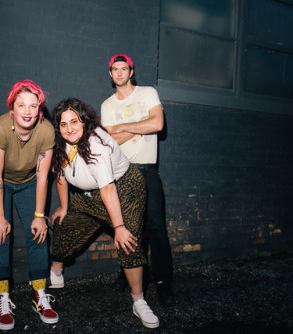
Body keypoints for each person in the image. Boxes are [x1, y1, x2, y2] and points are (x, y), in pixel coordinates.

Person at [49, 98, 159, 329]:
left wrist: (119, 228)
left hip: (124, 190)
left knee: (129, 242)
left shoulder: (95, 142)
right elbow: (60, 175)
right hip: (88, 195)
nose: (69, 128)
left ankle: (138, 301)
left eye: (74, 122)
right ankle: (56, 270)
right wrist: (65, 206)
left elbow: (108, 188)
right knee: (64, 223)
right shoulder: (59, 143)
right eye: (63, 124)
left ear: (84, 120)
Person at [0, 80, 58, 330]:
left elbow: (43, 176)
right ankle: (2, 297)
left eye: (32, 106)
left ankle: (39, 294)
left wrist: (39, 215)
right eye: (20, 105)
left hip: (29, 181)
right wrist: (0, 217)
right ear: (11, 108)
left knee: (39, 232)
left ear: (39, 109)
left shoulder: (46, 130)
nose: (27, 111)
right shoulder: (0, 128)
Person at [100, 54, 175, 306]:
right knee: (129, 229)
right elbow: (109, 142)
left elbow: (158, 123)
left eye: (124, 68)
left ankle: (164, 284)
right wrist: (139, 126)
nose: (119, 73)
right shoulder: (107, 105)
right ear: (110, 74)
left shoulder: (147, 93)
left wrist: (123, 127)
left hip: (147, 170)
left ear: (131, 71)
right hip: (122, 172)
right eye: (115, 69)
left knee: (156, 230)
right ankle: (128, 273)